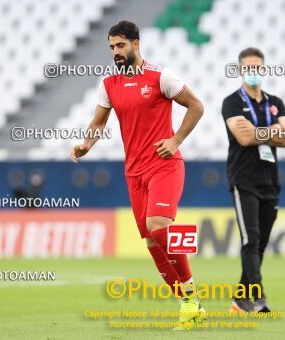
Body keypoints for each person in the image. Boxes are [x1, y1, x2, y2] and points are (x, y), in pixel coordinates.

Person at [70, 21, 205, 329]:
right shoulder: (109, 85)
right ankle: (189, 303)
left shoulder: (161, 77)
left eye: (120, 46)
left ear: (136, 44)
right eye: (111, 47)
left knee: (159, 228)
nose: (115, 52)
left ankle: (192, 295)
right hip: (134, 172)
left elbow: (196, 106)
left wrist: (176, 140)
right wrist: (87, 144)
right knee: (152, 244)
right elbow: (98, 122)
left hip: (164, 164)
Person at [221, 47, 285, 313]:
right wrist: (273, 130)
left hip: (270, 180)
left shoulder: (276, 102)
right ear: (240, 70)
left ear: (264, 69)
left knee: (260, 243)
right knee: (250, 240)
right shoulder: (231, 102)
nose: (253, 72)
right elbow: (244, 138)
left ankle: (241, 298)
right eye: (248, 67)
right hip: (244, 180)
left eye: (258, 67)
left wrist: (260, 132)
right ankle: (259, 297)